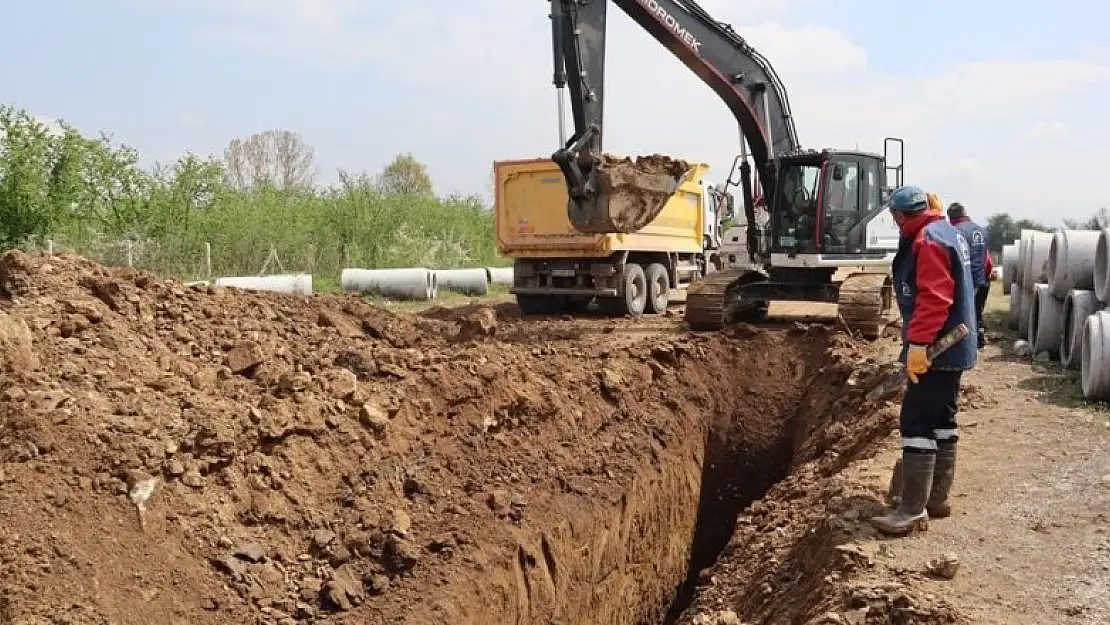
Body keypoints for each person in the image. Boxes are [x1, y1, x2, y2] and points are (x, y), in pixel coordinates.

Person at [870, 186, 978, 537]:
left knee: (916, 420)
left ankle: (911, 510)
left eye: (895, 218)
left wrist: (918, 344)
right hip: (955, 346)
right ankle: (937, 499)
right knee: (943, 417)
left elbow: (934, 297)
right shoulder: (946, 231)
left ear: (900, 215)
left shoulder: (927, 240)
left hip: (937, 348)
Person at [947, 202, 994, 347]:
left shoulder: (955, 231)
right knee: (977, 310)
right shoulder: (982, 230)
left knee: (963, 314)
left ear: (951, 218)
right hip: (982, 278)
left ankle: (965, 344)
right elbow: (987, 259)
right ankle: (979, 338)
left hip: (965, 280)